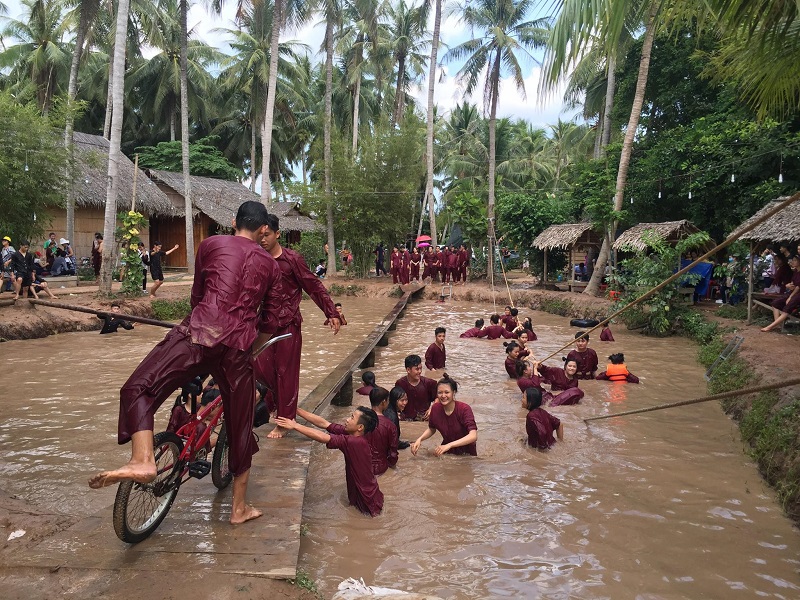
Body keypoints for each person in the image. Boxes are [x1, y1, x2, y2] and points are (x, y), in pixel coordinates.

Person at [88, 200, 284, 526]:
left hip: (198, 335)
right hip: (237, 350)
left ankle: (143, 459)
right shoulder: (271, 267)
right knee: (240, 426)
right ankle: (239, 509)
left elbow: (198, 299)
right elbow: (269, 322)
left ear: (233, 220)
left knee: (139, 388)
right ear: (264, 229)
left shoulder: (210, 244)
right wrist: (252, 350)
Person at [255, 213, 340, 439]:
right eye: (260, 235)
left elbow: (313, 286)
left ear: (278, 234)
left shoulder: (292, 259)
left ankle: (284, 421)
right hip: (262, 324)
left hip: (288, 325)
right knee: (258, 367)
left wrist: (331, 311)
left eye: (267, 235)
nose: (263, 239)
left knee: (286, 373)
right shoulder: (256, 259)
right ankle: (278, 406)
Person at [276, 407, 383, 517]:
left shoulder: (355, 442)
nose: (347, 419)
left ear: (360, 427)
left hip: (367, 501)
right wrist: (295, 410)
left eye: (352, 418)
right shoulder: (353, 434)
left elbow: (323, 437)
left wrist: (295, 426)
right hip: (370, 494)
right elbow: (324, 423)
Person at [410, 374, 478, 457]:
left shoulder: (464, 409)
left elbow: (473, 436)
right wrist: (420, 439)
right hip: (446, 450)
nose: (443, 396)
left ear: (454, 392)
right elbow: (432, 429)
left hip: (467, 455)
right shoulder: (435, 408)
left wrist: (449, 445)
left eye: (447, 392)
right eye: (440, 393)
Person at [762, 254, 800, 332]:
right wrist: (788, 285)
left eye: (795, 260)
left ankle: (770, 327)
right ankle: (777, 325)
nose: (793, 262)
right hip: (792, 291)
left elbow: (798, 287)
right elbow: (793, 283)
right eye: (793, 260)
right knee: (775, 303)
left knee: (787, 308)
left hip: (798, 294)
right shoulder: (796, 271)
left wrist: (790, 297)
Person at [394, 354, 438, 421]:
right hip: (406, 419)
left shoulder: (429, 383)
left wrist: (432, 408)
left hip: (424, 419)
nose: (420, 372)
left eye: (421, 368)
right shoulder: (400, 383)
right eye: (417, 369)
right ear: (408, 370)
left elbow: (438, 397)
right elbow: (394, 400)